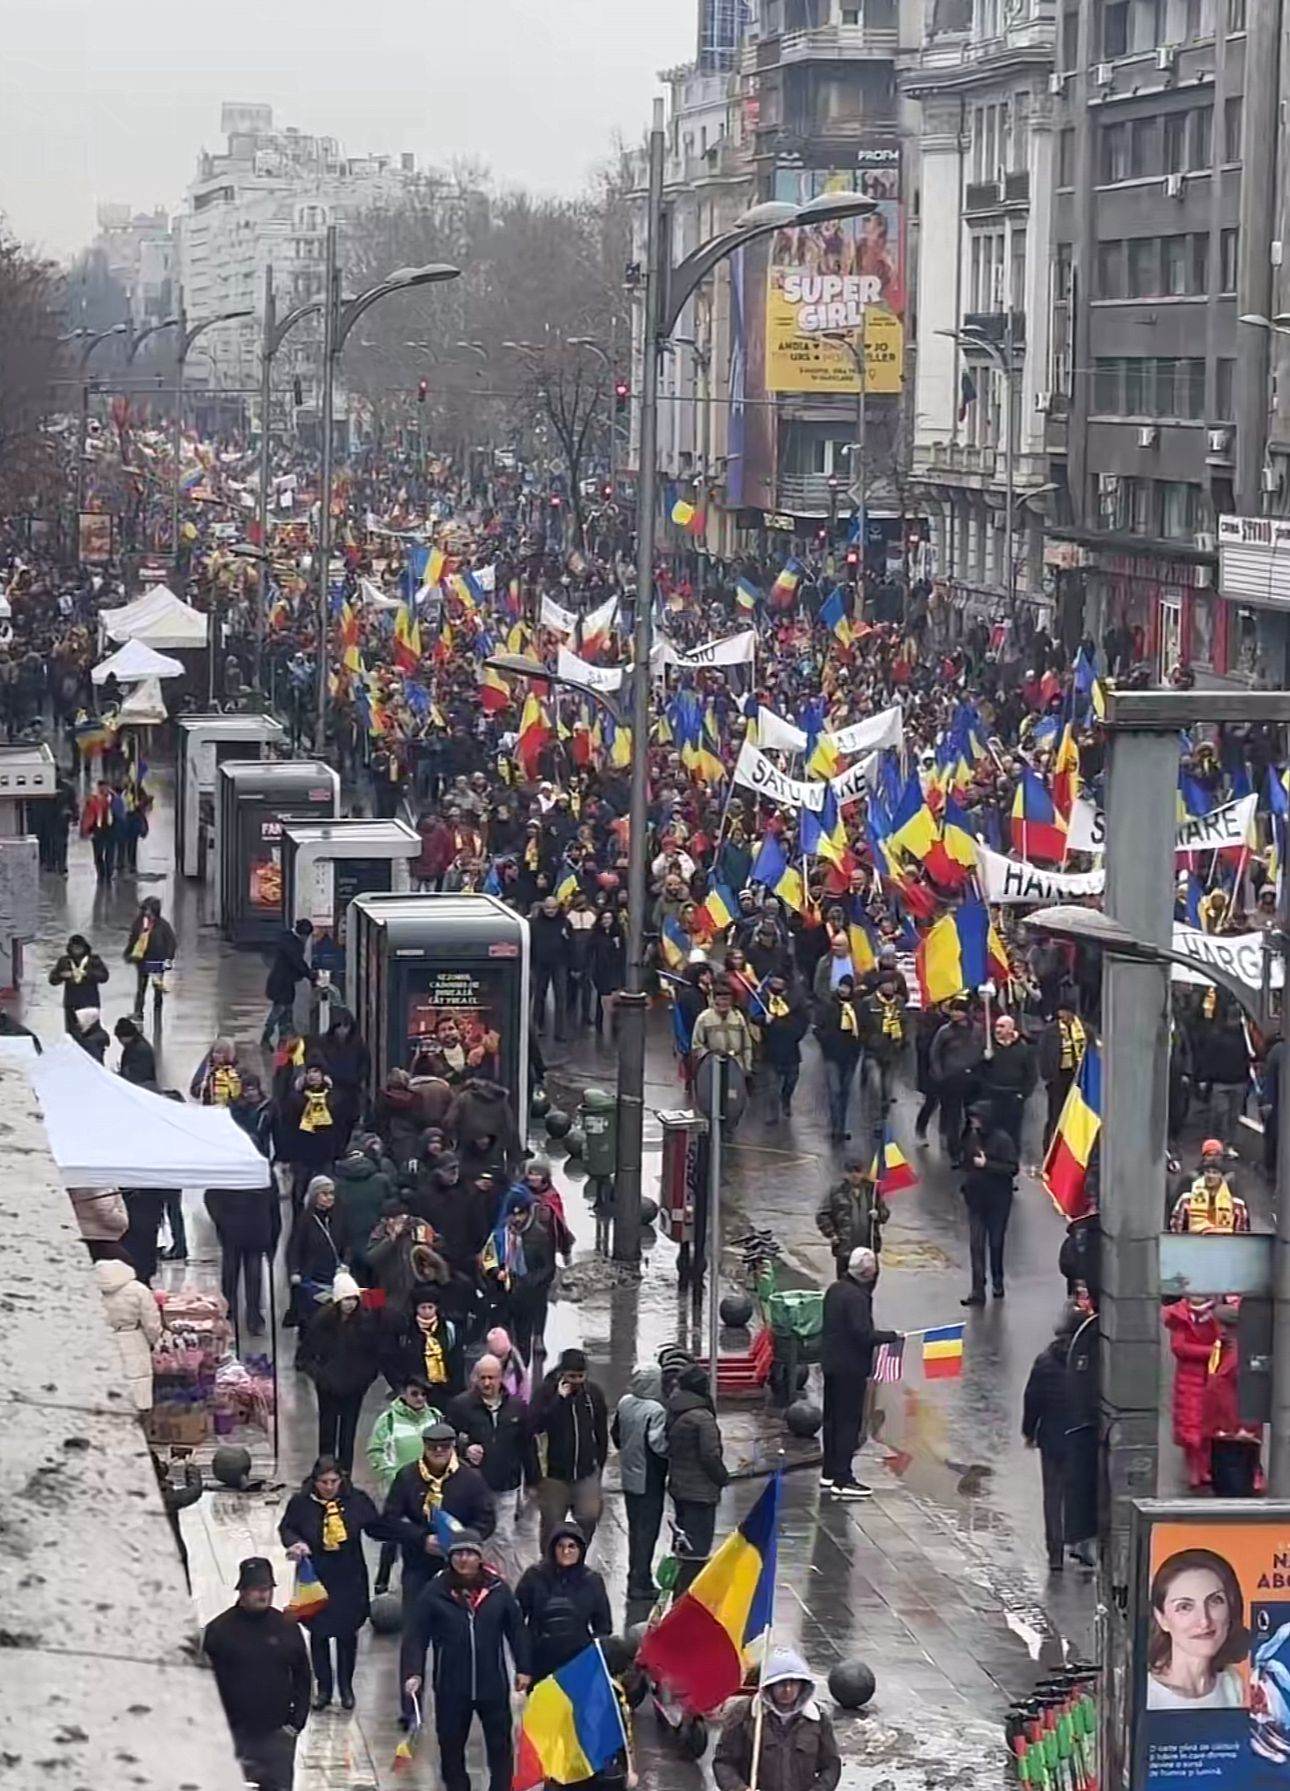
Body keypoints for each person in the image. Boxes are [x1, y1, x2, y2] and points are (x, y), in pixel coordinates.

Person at [400, 1530, 531, 1791]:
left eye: (470, 1554)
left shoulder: (498, 1590)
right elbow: (416, 1635)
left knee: (500, 1748)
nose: (464, 1559)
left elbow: (516, 1629)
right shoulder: (434, 1592)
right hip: (451, 1687)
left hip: (492, 1684)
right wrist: (414, 1671)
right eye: (458, 1553)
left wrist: (524, 1667)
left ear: (479, 1558)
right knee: (450, 1748)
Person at [278, 1455, 379, 1712]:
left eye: (334, 1481)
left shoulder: (355, 1500)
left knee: (347, 1633)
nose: (329, 1487)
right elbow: (287, 1528)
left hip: (349, 1574)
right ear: (315, 1481)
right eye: (324, 1482)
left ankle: (346, 1687)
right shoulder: (301, 1503)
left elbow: (376, 1525)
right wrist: (295, 1543)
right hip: (317, 1574)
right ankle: (323, 1688)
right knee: (319, 1632)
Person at [203, 1557, 311, 1791]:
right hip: (234, 1736)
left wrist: (295, 1723)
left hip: (277, 1734)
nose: (263, 1595)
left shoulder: (286, 1626)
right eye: (256, 1589)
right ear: (242, 1591)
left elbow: (303, 1675)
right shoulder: (220, 1631)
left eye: (267, 1589)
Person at [376, 1418, 496, 1606]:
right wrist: (421, 1538)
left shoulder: (471, 1478)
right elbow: (389, 1521)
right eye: (433, 1447)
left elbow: (486, 1520)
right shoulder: (407, 1476)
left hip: (459, 1566)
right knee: (415, 1618)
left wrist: (462, 1543)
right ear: (424, 1446)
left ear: (453, 1447)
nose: (439, 1451)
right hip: (417, 1562)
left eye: (445, 1446)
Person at [820, 1246, 899, 1500]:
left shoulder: (835, 1290)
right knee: (848, 1423)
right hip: (850, 1368)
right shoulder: (857, 1298)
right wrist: (891, 1337)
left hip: (831, 1364)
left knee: (831, 1419)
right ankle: (843, 1477)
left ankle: (829, 1471)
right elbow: (863, 1335)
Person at [446, 1353, 530, 1579]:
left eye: (492, 1378)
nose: (487, 1383)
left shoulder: (517, 1407)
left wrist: (533, 1480)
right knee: (474, 1536)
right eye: (482, 1378)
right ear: (475, 1377)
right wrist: (465, 1450)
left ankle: (499, 1583)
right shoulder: (460, 1406)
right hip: (473, 1486)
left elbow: (527, 1445)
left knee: (503, 1537)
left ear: (501, 1377)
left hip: (507, 1484)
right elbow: (447, 1441)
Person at [713, 1648, 841, 1791]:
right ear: (769, 1685)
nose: (787, 1689)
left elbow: (831, 1766)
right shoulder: (744, 1714)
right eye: (781, 1683)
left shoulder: (816, 1719)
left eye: (793, 1682)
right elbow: (724, 1763)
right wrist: (739, 1789)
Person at [1146, 1549, 1250, 1710]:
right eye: (1185, 1606)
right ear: (1162, 1618)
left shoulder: (1232, 1683)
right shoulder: (1146, 1694)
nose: (1204, 1621)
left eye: (1215, 1600)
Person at [298, 1270, 380, 1472]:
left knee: (348, 1434)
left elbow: (374, 1356)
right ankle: (325, 1472)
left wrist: (364, 1380)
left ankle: (345, 1475)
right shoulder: (322, 1321)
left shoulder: (365, 1324)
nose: (350, 1304)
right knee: (327, 1432)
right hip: (328, 1387)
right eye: (346, 1299)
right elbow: (304, 1356)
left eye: (353, 1299)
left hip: (354, 1388)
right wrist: (321, 1377)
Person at [366, 1376, 442, 1594]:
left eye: (423, 1394)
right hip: (397, 1490)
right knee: (394, 1534)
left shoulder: (435, 1417)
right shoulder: (388, 1420)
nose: (419, 1398)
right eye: (414, 1393)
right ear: (403, 1393)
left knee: (426, 1532)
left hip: (429, 1490)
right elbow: (375, 1451)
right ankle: (382, 1579)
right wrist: (393, 1476)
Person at [529, 1347, 609, 1549]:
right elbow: (535, 1425)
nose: (577, 1381)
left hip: (585, 1471)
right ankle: (549, 1563)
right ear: (562, 1373)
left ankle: (577, 1556)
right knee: (552, 1524)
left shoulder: (593, 1394)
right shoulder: (546, 1392)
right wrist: (559, 1400)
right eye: (572, 1376)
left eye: (581, 1376)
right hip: (554, 1474)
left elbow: (601, 1431)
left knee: (589, 1517)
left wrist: (599, 1464)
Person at [516, 1522, 612, 1683]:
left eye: (571, 1546)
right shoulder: (534, 1577)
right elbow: (517, 1624)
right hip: (541, 1661)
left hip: (578, 1661)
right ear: (553, 1548)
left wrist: (596, 1665)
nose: (566, 1551)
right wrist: (523, 1667)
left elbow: (603, 1627)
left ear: (580, 1549)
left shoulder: (592, 1581)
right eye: (560, 1546)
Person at [1022, 1311, 1079, 1572]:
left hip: (1052, 1438)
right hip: (1080, 1437)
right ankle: (1078, 1542)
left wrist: (1029, 1432)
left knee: (1053, 1495)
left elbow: (1032, 1399)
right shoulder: (1090, 1361)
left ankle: (1054, 1551)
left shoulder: (1045, 1362)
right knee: (1078, 1492)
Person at [665, 1364, 728, 1592]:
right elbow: (710, 1455)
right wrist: (722, 1477)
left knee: (683, 1544)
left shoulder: (675, 1411)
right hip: (701, 1493)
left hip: (680, 1488)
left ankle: (678, 1590)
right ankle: (689, 1595)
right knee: (697, 1550)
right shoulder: (702, 1418)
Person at [612, 1364, 669, 1600]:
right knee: (648, 1531)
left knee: (635, 1530)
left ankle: (635, 1575)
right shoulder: (655, 1410)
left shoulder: (625, 1402)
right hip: (649, 1478)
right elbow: (659, 1445)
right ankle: (640, 1581)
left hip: (629, 1476)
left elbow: (616, 1434)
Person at [960, 1101, 1020, 1305]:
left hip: (998, 1201)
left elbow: (1012, 1168)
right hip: (976, 1200)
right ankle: (977, 1289)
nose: (973, 1121)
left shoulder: (1003, 1140)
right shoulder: (972, 1137)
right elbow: (966, 1162)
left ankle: (997, 1281)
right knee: (976, 1245)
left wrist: (988, 1165)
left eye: (977, 1117)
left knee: (995, 1242)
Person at [1163, 1295, 1222, 1489]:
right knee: (1191, 1424)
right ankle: (1196, 1469)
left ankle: (1204, 1467)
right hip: (1191, 1378)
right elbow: (1179, 1347)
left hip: (1208, 1376)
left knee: (1208, 1423)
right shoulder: (1182, 1317)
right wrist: (1211, 1352)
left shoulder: (1215, 1315)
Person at [94, 1254, 163, 1412]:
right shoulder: (138, 1290)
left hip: (102, 1341)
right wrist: (155, 1342)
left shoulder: (91, 1290)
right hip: (133, 1339)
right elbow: (151, 1324)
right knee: (137, 1389)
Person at [924, 998, 983, 1163]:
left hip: (972, 1079)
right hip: (951, 1079)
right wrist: (939, 1074)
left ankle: (967, 1145)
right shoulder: (944, 1031)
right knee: (953, 1116)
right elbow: (934, 1053)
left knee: (972, 1115)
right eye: (953, 1010)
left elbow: (983, 1047)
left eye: (959, 1010)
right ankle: (954, 1153)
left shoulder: (977, 1030)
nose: (955, 1014)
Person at [286, 1175, 349, 1323]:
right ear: (315, 1196)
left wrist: (346, 1263)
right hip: (312, 1278)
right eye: (324, 1194)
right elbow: (295, 1247)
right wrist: (294, 1271)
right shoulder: (305, 1220)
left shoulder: (339, 1216)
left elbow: (346, 1243)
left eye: (332, 1193)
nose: (329, 1198)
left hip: (336, 1276)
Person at [815, 1158, 890, 1277]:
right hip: (845, 1248)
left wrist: (878, 1215)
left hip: (868, 1247)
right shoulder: (836, 1191)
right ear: (845, 1174)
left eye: (858, 1171)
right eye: (851, 1172)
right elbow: (822, 1215)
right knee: (845, 1280)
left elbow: (885, 1214)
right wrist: (832, 1235)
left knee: (869, 1279)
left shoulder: (872, 1191)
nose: (855, 1175)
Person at [977, 1014, 1036, 1153]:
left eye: (1001, 1026)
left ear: (1011, 1028)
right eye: (996, 1026)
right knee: (991, 1129)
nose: (997, 1029)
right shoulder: (988, 1046)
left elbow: (1031, 1075)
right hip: (993, 1094)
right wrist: (984, 1059)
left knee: (1013, 1131)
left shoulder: (1023, 1049)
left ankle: (1012, 1159)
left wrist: (1023, 1095)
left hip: (1013, 1096)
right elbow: (979, 1071)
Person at [814, 974, 862, 1143]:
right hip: (832, 1055)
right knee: (834, 1091)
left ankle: (842, 1126)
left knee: (845, 1093)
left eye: (847, 987)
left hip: (850, 1056)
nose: (844, 990)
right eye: (842, 986)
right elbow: (817, 1028)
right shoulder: (829, 1006)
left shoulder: (857, 1007)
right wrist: (827, 1041)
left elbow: (864, 1027)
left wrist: (859, 1044)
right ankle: (836, 1128)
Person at [1168, 1141, 1251, 1233]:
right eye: (1210, 1154)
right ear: (1204, 1156)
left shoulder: (1231, 1181)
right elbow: (1176, 1212)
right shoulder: (1190, 1180)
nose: (1213, 1158)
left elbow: (1242, 1216)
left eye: (1217, 1154)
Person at [1038, 994, 1085, 1150]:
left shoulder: (1082, 1029)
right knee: (1055, 1115)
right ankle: (1049, 1149)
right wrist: (1048, 1076)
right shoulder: (1050, 1031)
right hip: (1058, 1076)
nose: (1063, 1015)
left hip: (1076, 1076)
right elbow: (1043, 1052)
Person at [262, 918, 317, 1048]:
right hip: (281, 985)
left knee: (285, 1014)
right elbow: (297, 962)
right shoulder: (291, 943)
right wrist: (310, 975)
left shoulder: (287, 939)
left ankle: (283, 1040)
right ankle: (267, 1037)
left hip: (284, 984)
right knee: (279, 1012)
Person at [123, 895, 176, 1022]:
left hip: (158, 961)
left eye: (148, 909)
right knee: (140, 988)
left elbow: (171, 943)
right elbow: (133, 939)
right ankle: (138, 1012)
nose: (145, 912)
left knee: (157, 988)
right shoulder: (139, 923)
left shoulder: (163, 925)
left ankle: (157, 1012)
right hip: (142, 961)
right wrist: (128, 953)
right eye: (144, 909)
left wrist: (168, 958)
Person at [690, 977, 755, 1075]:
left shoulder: (738, 1017)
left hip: (736, 1065)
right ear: (714, 999)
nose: (724, 1003)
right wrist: (709, 1058)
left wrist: (747, 1066)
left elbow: (746, 1045)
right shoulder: (704, 1018)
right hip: (712, 1066)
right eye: (721, 999)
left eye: (727, 999)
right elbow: (697, 1045)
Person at [48, 933, 109, 1036]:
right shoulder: (65, 961)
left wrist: (87, 974)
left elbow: (104, 977)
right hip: (71, 1003)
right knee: (72, 1034)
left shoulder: (93, 960)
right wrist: (61, 975)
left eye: (79, 948)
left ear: (84, 948)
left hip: (89, 1003)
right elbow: (52, 980)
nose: (77, 950)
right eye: (74, 948)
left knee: (91, 1034)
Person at [114, 1016, 156, 1086]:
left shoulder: (139, 1049)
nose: (119, 1041)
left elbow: (137, 1075)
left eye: (119, 1038)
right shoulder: (134, 1045)